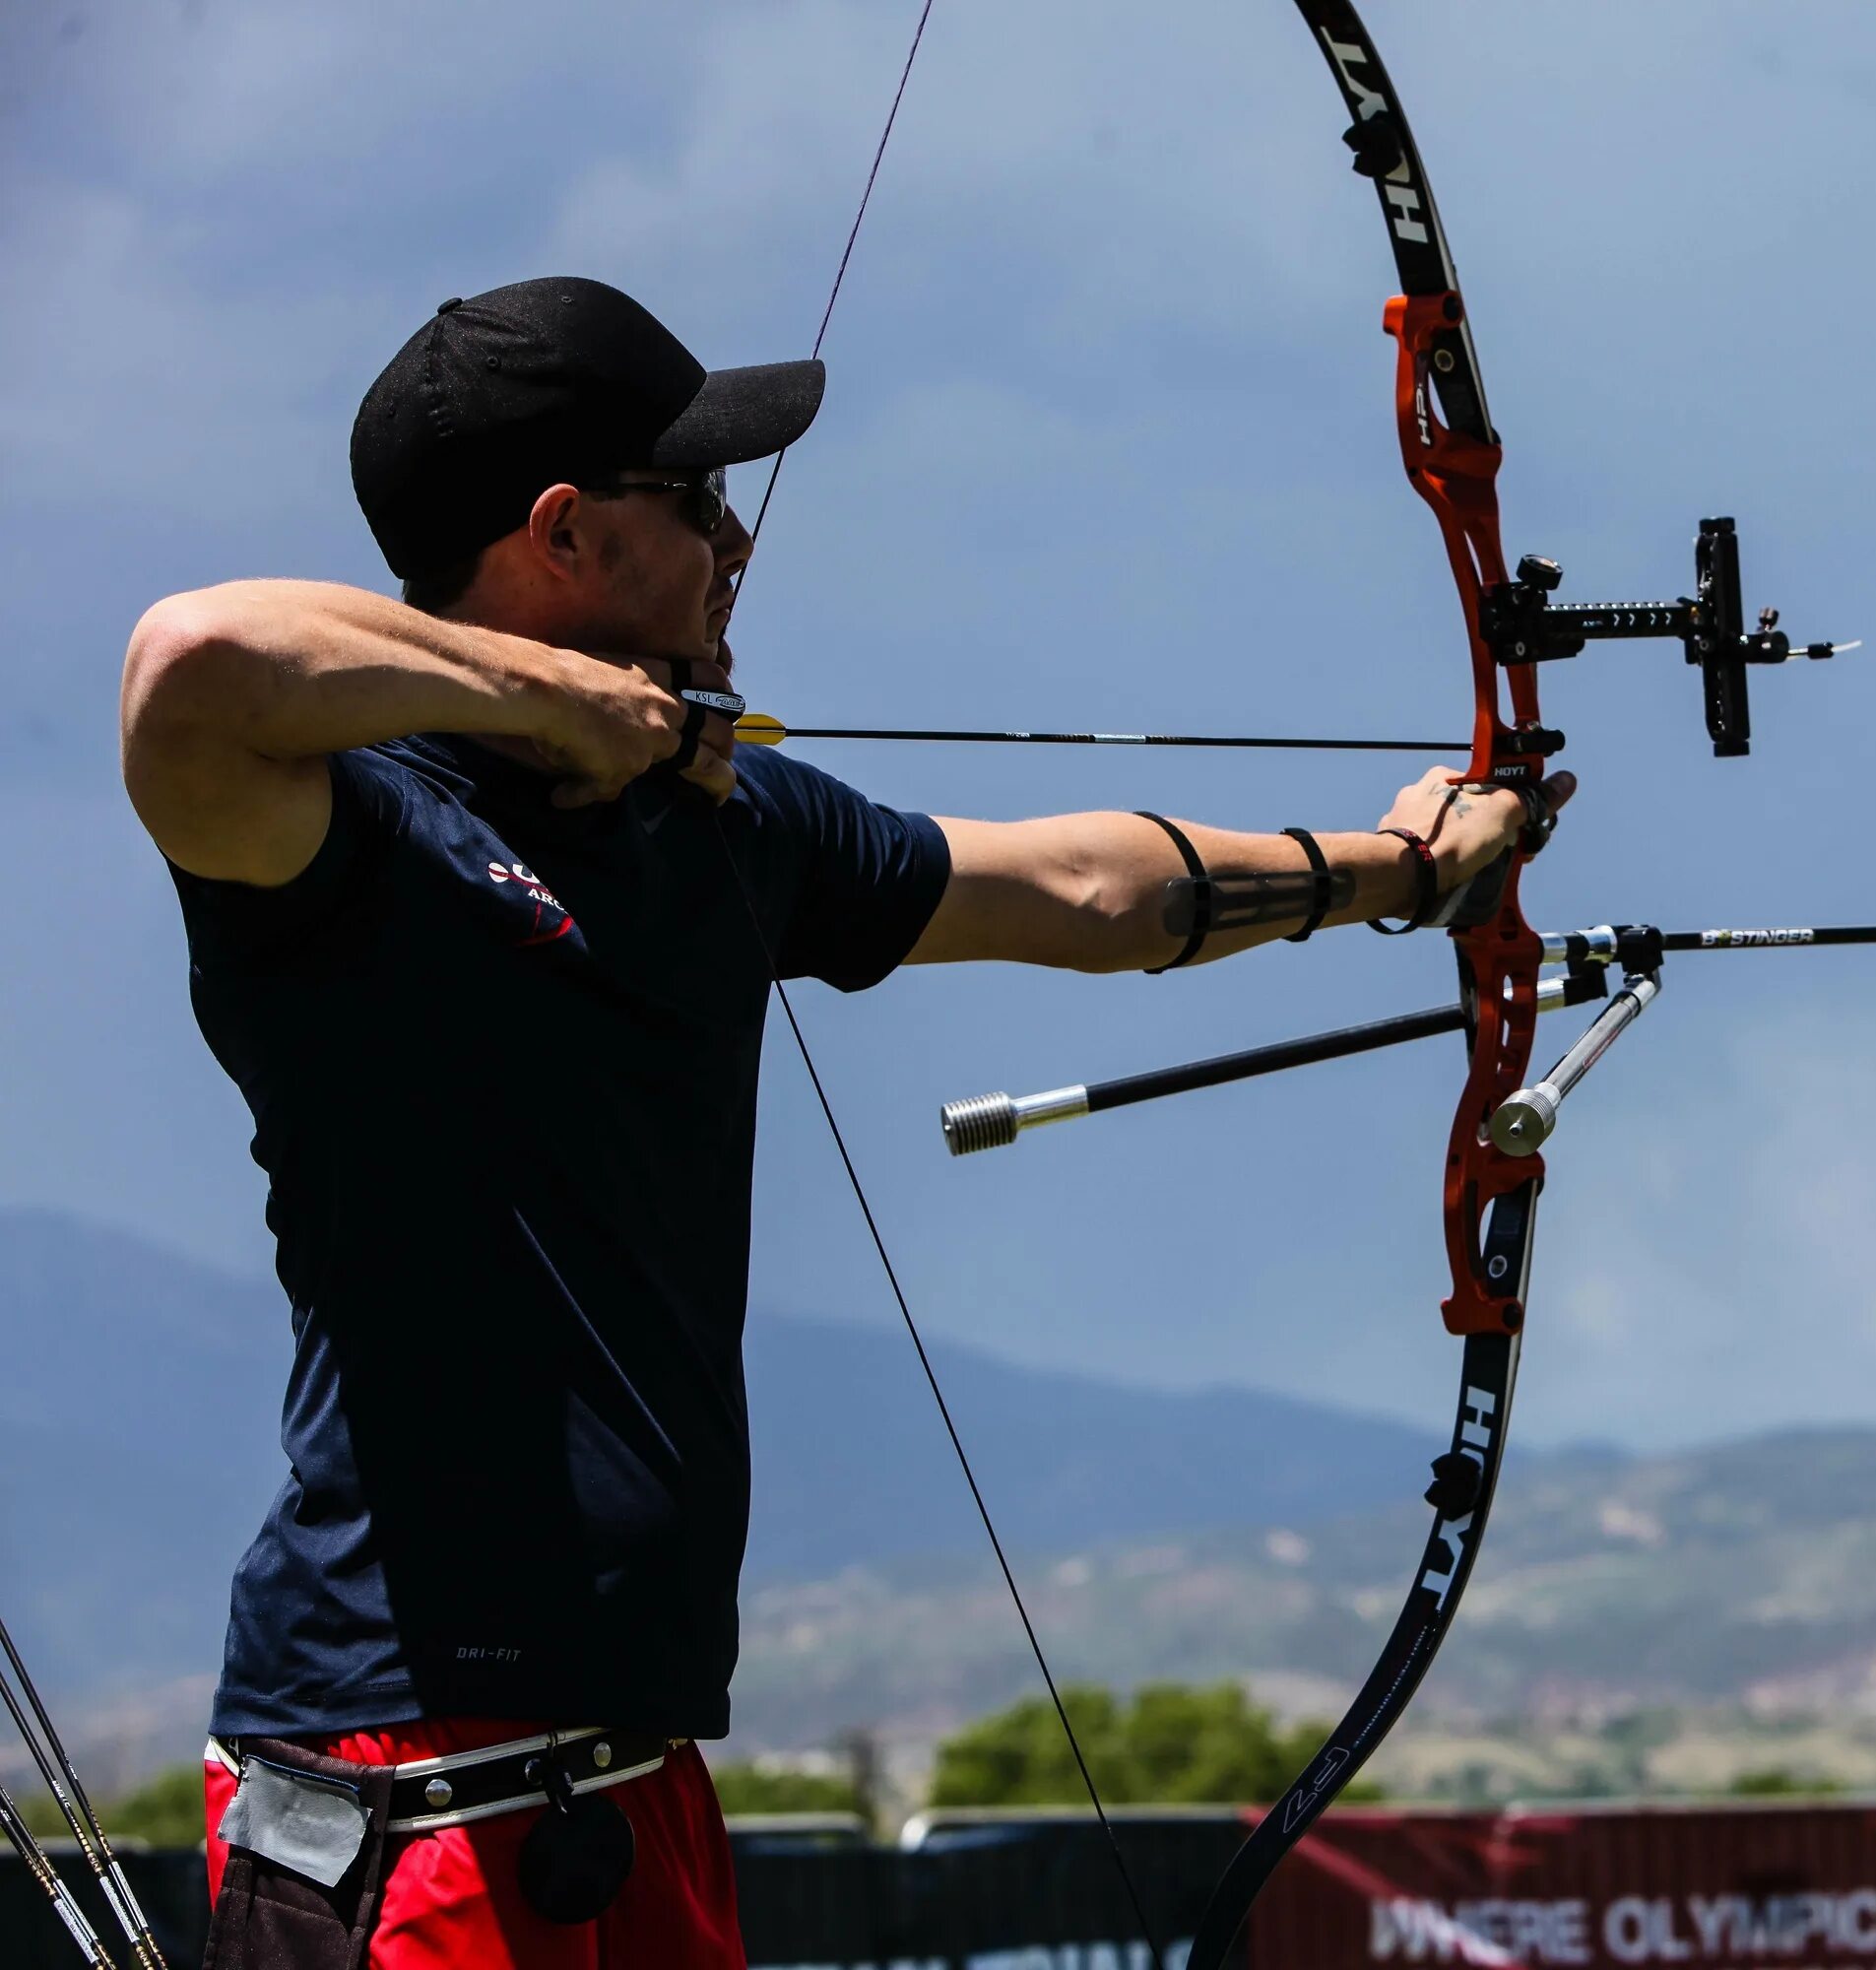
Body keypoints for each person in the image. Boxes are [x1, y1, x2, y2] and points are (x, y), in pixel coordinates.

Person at [116, 276, 1565, 1968]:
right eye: (699, 499)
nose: (738, 540)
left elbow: (1087, 888)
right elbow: (191, 658)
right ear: (563, 535)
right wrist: (549, 701)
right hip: (400, 1793)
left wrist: (1398, 871)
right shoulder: (347, 835)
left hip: (635, 1783)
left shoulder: (719, 828)